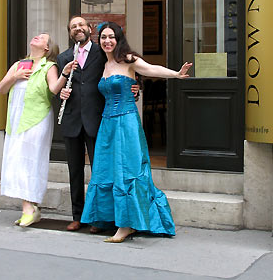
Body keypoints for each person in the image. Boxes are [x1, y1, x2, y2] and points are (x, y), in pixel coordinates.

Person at [80, 21, 192, 243]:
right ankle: (113, 219)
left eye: (111, 36)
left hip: (126, 122)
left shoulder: (128, 60)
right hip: (107, 125)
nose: (107, 41)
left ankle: (126, 225)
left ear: (118, 38)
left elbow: (150, 69)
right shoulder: (103, 64)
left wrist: (176, 74)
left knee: (127, 169)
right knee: (107, 170)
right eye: (103, 37)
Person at [57, 16, 139, 232]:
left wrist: (135, 88)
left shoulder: (103, 51)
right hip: (72, 120)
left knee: (101, 170)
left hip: (98, 119)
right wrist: (62, 93)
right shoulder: (63, 57)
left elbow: (123, 71)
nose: (78, 29)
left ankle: (100, 218)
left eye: (81, 25)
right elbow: (59, 88)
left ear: (89, 28)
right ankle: (78, 216)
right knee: (74, 171)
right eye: (73, 27)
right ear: (70, 32)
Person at [0, 33, 76, 227]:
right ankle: (31, 207)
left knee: (30, 160)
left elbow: (53, 89)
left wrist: (65, 74)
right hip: (16, 120)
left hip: (37, 119)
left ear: (47, 48)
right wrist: (15, 76)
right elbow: (1, 88)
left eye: (42, 38)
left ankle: (28, 208)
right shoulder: (19, 65)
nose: (36, 37)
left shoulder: (49, 66)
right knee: (18, 160)